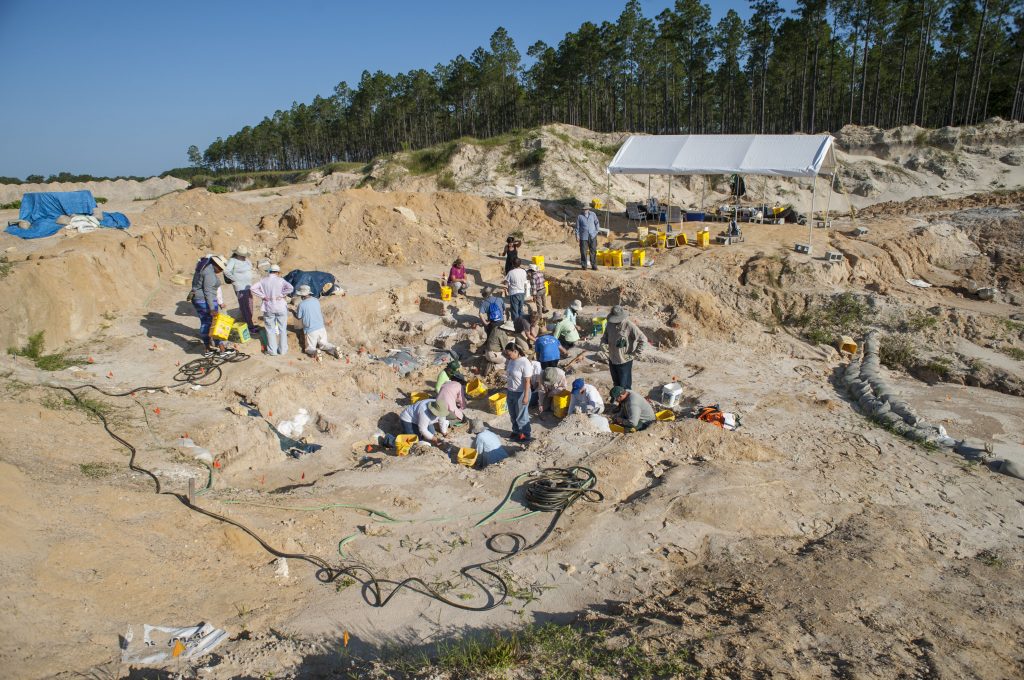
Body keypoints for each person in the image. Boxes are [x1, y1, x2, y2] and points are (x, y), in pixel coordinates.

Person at [600, 305, 647, 389]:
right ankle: (617, 396)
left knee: (625, 385)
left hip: (624, 362)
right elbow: (605, 337)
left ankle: (626, 400)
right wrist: (603, 344)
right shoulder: (610, 324)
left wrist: (634, 354)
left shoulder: (629, 326)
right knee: (616, 382)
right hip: (612, 359)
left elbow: (643, 339)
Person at [251, 264, 294, 356]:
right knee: (282, 329)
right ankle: (283, 350)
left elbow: (252, 288)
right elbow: (291, 288)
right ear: (278, 272)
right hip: (280, 306)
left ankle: (272, 351)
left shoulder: (263, 280)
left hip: (268, 307)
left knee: (270, 330)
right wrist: (282, 295)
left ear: (269, 271)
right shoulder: (281, 280)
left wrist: (263, 296)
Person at [190, 254, 228, 356]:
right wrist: (212, 308)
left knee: (205, 323)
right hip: (204, 300)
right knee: (213, 323)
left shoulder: (204, 266)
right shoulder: (209, 273)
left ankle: (207, 348)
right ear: (217, 265)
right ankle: (222, 348)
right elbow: (209, 292)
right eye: (220, 269)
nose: (220, 271)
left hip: (198, 299)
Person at [294, 284, 339, 360]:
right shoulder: (316, 300)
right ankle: (334, 348)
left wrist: (294, 311)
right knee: (324, 344)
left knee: (309, 348)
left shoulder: (301, 305)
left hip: (310, 330)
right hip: (321, 327)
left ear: (302, 295)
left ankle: (315, 352)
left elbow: (298, 317)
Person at [224, 245, 257, 335]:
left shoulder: (246, 260)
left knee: (250, 305)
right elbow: (226, 271)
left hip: (248, 286)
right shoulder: (233, 261)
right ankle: (250, 326)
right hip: (240, 287)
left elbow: (250, 267)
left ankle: (250, 323)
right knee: (245, 306)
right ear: (237, 254)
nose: (244, 255)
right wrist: (234, 279)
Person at [504, 342, 532, 442]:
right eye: (506, 354)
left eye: (509, 354)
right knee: (513, 415)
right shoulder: (511, 360)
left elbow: (527, 380)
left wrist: (526, 396)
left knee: (522, 416)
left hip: (521, 393)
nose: (508, 356)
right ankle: (516, 432)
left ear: (515, 351)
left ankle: (525, 436)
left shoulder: (524, 362)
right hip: (511, 391)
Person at [576, 205, 600, 270]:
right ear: (582, 210)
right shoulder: (579, 216)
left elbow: (596, 222)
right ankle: (584, 266)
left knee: (593, 250)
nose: (585, 210)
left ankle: (594, 266)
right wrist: (577, 236)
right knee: (583, 251)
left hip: (592, 235)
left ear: (588, 209)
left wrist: (596, 231)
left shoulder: (593, 214)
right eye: (584, 209)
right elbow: (577, 227)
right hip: (583, 237)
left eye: (586, 209)